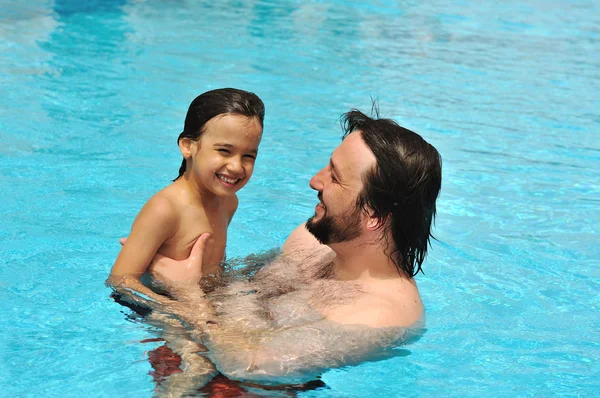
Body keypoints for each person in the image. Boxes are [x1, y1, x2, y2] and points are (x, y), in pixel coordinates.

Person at [136, 106, 442, 388]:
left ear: (373, 216)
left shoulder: (379, 317)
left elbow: (249, 365)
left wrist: (186, 292)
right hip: (192, 344)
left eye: (334, 177)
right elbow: (235, 287)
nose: (314, 181)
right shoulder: (310, 240)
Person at [107, 88, 265, 306]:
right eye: (224, 151)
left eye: (248, 156)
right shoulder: (165, 209)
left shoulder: (228, 202)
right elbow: (120, 281)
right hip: (162, 313)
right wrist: (180, 310)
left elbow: (212, 272)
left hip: (202, 301)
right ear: (188, 145)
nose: (237, 166)